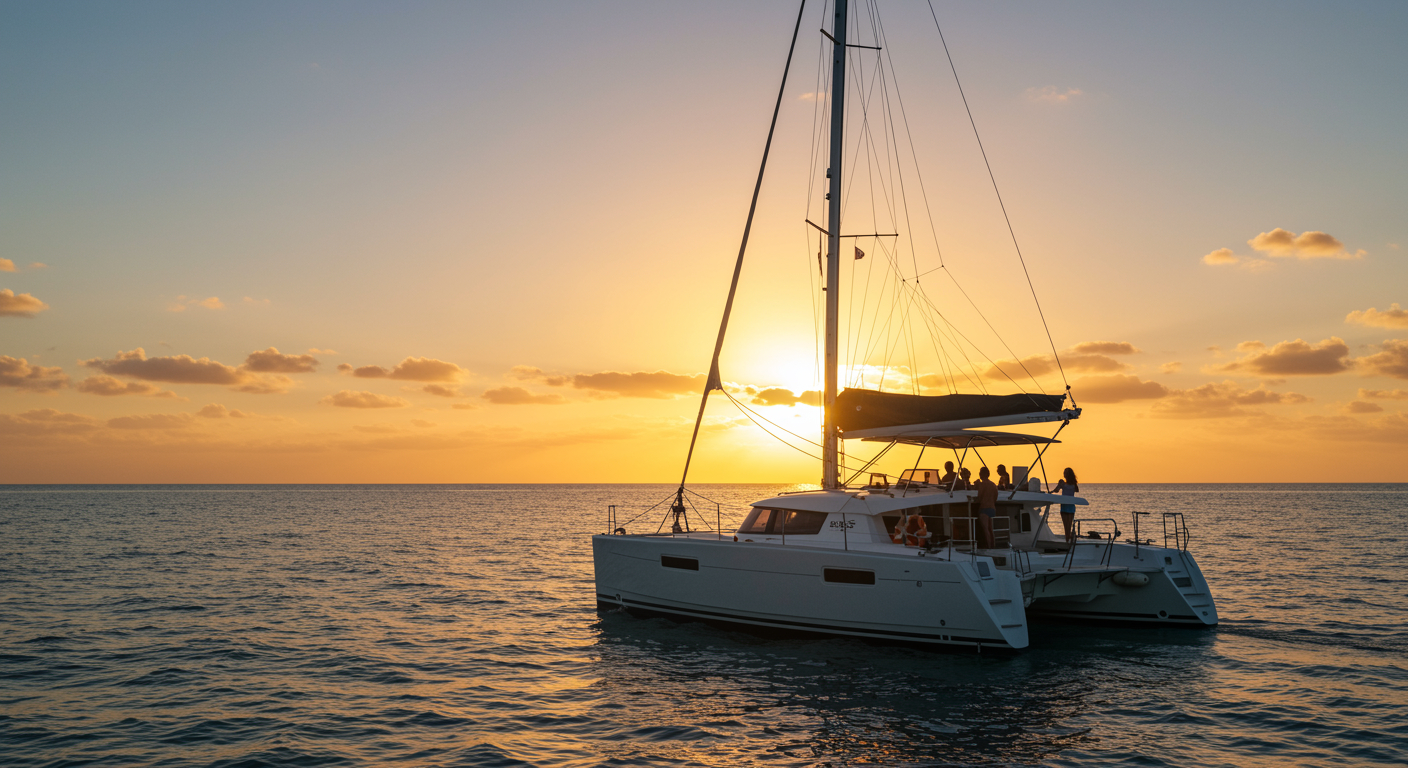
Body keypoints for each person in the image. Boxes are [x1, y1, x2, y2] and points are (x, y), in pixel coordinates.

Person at [976, 466, 999, 548]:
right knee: (991, 530)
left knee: (985, 530)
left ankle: (989, 546)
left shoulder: (983, 484)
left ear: (982, 474)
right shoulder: (993, 485)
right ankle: (993, 545)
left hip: (984, 508)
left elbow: (980, 496)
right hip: (992, 508)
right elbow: (996, 497)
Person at [1054, 467, 1079, 542]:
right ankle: (1069, 540)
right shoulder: (1073, 484)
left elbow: (1056, 490)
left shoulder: (1064, 484)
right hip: (1070, 506)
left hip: (1065, 507)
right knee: (1068, 527)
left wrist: (1060, 484)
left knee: (1066, 528)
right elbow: (1076, 490)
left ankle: (1068, 541)